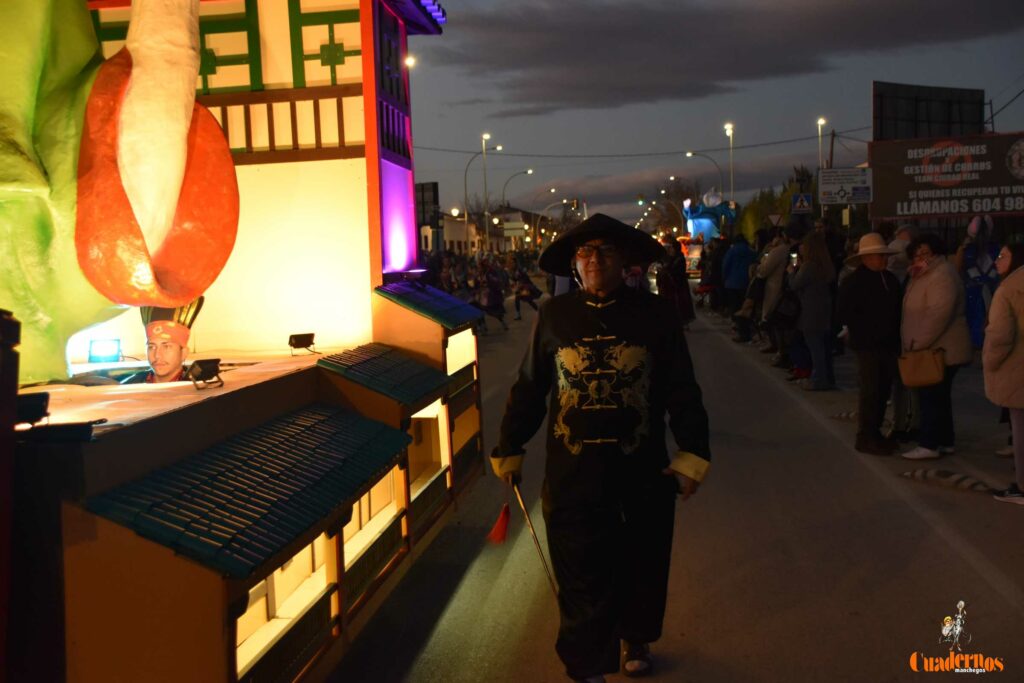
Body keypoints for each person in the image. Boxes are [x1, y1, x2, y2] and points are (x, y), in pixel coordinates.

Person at [490, 214, 711, 683]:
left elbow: (681, 389)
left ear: (625, 260)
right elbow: (531, 387)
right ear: (575, 262)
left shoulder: (655, 316)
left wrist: (692, 455)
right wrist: (510, 444)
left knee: (641, 562)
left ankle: (637, 635)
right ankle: (587, 663)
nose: (594, 260)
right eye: (585, 252)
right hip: (573, 473)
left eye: (605, 252)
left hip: (641, 470)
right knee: (581, 572)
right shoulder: (554, 315)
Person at [900, 234, 972, 460]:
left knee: (931, 396)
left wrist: (917, 343)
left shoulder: (941, 275)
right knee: (939, 396)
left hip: (939, 348)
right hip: (935, 347)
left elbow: (938, 314)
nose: (921, 258)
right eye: (917, 254)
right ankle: (944, 440)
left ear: (936, 252)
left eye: (926, 253)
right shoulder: (924, 274)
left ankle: (929, 443)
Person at [836, 234, 902, 455]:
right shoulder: (854, 282)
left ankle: (875, 432)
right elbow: (844, 311)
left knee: (883, 390)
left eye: (882, 256)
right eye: (876, 256)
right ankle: (866, 436)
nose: (881, 260)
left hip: (888, 343)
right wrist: (861, 329)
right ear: (865, 258)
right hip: (867, 345)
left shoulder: (890, 279)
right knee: (870, 391)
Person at [983, 242, 1024, 503]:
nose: (997, 260)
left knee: (1020, 429)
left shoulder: (1009, 289)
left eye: (1003, 255)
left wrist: (990, 362)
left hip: (1017, 369)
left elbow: (1000, 335)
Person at [788, 231, 837, 390]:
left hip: (811, 310)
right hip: (824, 309)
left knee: (815, 347)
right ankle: (827, 378)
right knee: (822, 346)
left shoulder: (809, 266)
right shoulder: (826, 265)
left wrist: (791, 272)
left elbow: (795, 285)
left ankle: (818, 380)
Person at [655, 236, 696, 327]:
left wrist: (666, 271)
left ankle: (682, 322)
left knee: (680, 304)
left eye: (672, 248)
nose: (670, 250)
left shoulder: (680, 258)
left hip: (678, 286)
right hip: (671, 286)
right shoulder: (671, 258)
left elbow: (677, 272)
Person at [721, 234, 756, 316]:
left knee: (734, 304)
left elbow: (726, 264)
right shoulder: (750, 251)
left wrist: (724, 277)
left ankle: (735, 321)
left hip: (731, 282)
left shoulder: (731, 251)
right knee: (742, 303)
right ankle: (742, 321)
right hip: (746, 281)